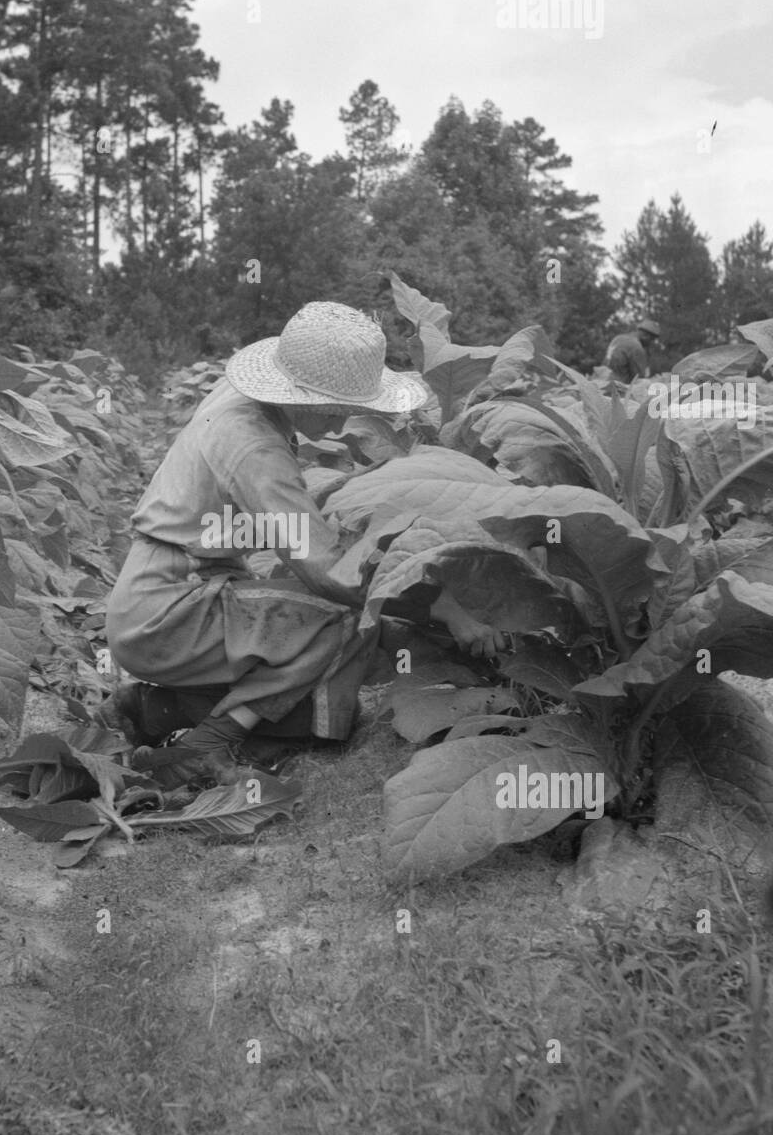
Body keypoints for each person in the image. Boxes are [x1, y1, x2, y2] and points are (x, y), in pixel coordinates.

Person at [104, 301, 502, 786]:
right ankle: (205, 749)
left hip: (161, 595)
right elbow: (327, 570)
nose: (341, 424)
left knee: (324, 707)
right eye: (338, 410)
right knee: (346, 624)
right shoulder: (254, 446)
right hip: (171, 609)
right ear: (303, 395)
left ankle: (152, 708)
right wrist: (441, 605)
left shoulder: (240, 400)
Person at [604, 318, 660, 384]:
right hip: (616, 387)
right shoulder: (636, 347)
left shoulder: (618, 338)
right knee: (645, 383)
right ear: (646, 336)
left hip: (601, 381)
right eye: (652, 339)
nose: (651, 343)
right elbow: (639, 377)